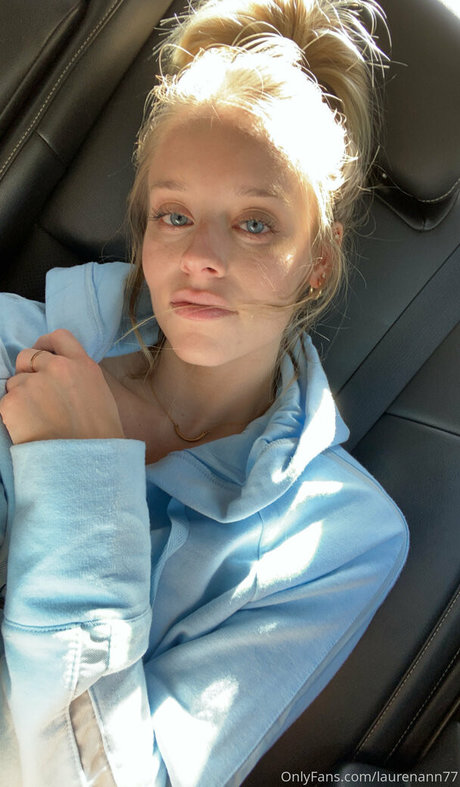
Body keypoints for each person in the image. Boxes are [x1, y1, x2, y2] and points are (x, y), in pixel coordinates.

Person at [0, 0, 409, 785]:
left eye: (255, 224)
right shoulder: (17, 343)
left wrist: (80, 474)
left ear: (317, 261)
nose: (201, 257)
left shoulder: (340, 536)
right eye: (176, 214)